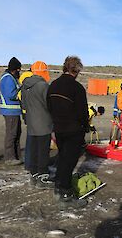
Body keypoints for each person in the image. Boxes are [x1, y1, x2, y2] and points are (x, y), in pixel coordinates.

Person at [47, 56, 88, 208]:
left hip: (58, 128)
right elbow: (83, 112)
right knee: (69, 160)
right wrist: (84, 127)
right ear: (76, 70)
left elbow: (49, 106)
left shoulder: (53, 85)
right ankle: (64, 194)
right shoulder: (77, 88)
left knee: (63, 158)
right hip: (73, 130)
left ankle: (59, 186)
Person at [21, 61, 54, 188]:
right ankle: (43, 178)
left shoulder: (25, 85)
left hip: (31, 123)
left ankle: (34, 175)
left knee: (34, 150)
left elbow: (23, 105)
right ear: (43, 72)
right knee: (43, 151)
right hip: (44, 124)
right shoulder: (43, 86)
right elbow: (49, 105)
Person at [0, 57, 22, 165]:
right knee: (11, 134)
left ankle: (16, 156)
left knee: (17, 133)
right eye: (18, 69)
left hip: (14, 112)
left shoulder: (11, 77)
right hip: (10, 111)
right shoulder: (8, 78)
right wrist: (20, 92)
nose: (19, 71)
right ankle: (9, 158)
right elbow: (11, 94)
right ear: (15, 69)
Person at [18, 70, 33, 170]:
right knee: (32, 141)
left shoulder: (21, 90)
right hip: (33, 117)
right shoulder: (30, 90)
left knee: (30, 141)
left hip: (27, 116)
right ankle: (30, 164)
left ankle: (28, 164)